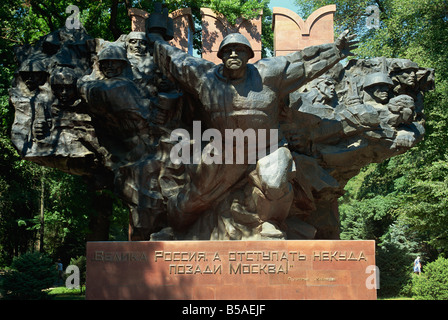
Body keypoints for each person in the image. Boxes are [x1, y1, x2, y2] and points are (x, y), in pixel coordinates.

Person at [148, 30, 358, 233]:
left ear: (249, 55)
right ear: (220, 55)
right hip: (225, 151)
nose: (233, 54)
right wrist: (157, 38)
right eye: (228, 50)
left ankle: (269, 222)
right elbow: (177, 60)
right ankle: (172, 225)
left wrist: (336, 50)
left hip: (268, 147)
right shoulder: (205, 78)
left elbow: (302, 63)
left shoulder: (269, 73)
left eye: (239, 50)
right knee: (192, 203)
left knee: (275, 183)